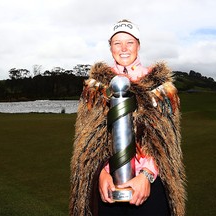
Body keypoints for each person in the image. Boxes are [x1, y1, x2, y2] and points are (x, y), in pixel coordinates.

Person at [70, 19, 186, 216]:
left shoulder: (160, 86)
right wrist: (101, 174)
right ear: (110, 47)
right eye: (117, 43)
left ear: (138, 45)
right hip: (106, 186)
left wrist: (146, 175)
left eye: (130, 42)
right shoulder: (95, 86)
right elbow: (87, 142)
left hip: (149, 185)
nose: (123, 48)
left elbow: (167, 142)